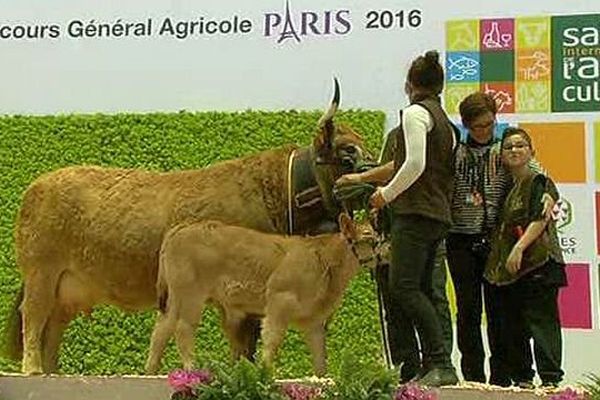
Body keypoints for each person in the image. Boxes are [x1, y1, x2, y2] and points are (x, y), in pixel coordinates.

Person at [338, 49, 458, 386]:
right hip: (436, 214)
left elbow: (414, 165)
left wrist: (384, 194)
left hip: (415, 213)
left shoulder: (415, 114)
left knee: (403, 287)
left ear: (410, 85)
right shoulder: (443, 121)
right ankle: (430, 365)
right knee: (418, 288)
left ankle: (440, 363)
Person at [447, 92, 556, 386]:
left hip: (496, 240)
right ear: (467, 125)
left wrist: (548, 191)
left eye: (489, 124)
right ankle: (472, 376)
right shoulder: (455, 153)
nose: (484, 131)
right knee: (468, 311)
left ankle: (500, 377)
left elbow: (535, 170)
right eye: (478, 126)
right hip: (459, 239)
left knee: (499, 312)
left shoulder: (501, 150)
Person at [484, 127, 566, 388]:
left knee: (542, 323)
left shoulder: (539, 181)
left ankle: (551, 380)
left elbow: (540, 218)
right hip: (513, 272)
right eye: (508, 147)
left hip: (540, 263)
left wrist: (519, 248)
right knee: (515, 326)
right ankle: (523, 380)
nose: (514, 151)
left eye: (520, 146)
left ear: (532, 151)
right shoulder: (506, 187)